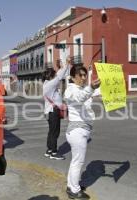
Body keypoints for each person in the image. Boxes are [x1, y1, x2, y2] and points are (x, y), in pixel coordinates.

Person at [64, 65, 100, 199]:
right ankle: (74, 191)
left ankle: (71, 185)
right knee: (78, 162)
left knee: (75, 161)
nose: (84, 78)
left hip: (81, 130)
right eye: (81, 75)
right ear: (73, 77)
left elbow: (96, 91)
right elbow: (80, 97)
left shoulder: (83, 89)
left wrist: (111, 80)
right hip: (77, 131)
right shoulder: (70, 90)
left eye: (85, 75)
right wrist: (91, 87)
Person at [42, 59, 69, 160]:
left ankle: (49, 150)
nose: (55, 76)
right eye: (53, 75)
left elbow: (58, 76)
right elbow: (59, 76)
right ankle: (54, 152)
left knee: (51, 131)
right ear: (50, 77)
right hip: (53, 112)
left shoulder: (48, 84)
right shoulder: (49, 85)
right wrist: (66, 65)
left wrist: (61, 67)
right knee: (55, 132)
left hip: (51, 111)